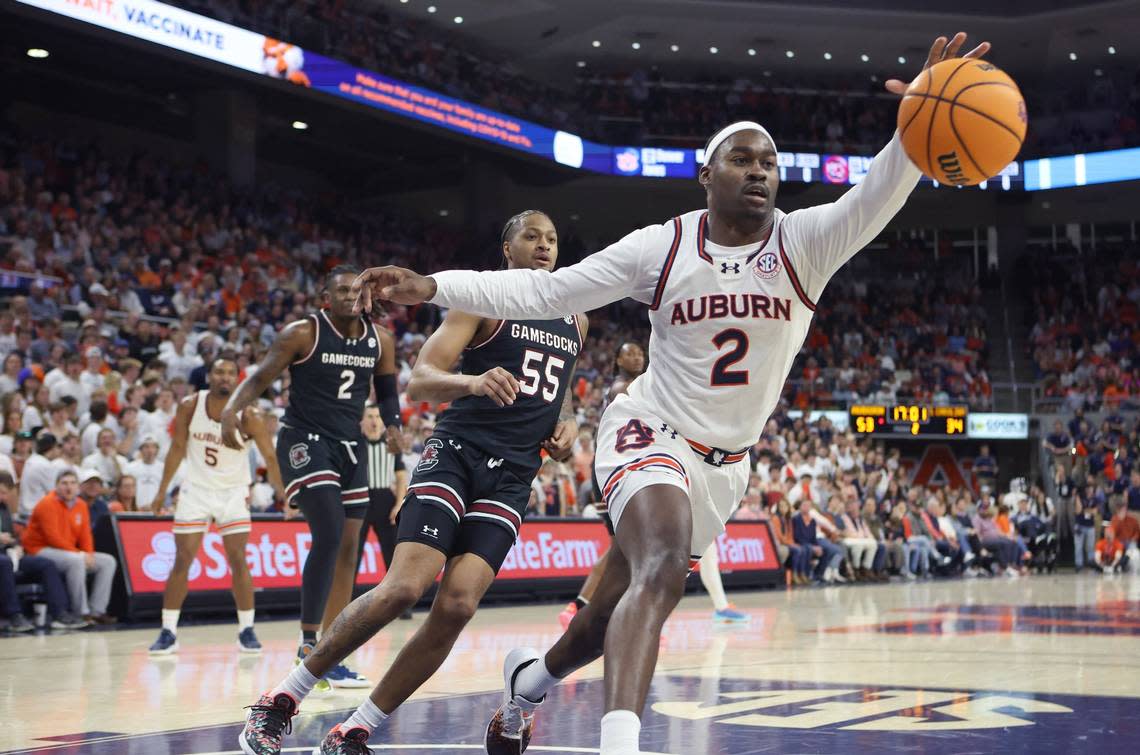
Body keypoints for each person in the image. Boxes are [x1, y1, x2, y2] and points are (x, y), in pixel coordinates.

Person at [348, 34, 986, 755]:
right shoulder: (663, 245)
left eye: (769, 162)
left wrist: (918, 124)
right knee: (661, 568)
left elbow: (879, 193)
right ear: (704, 172)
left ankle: (529, 681)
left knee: (600, 620)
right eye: (742, 159)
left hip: (725, 465)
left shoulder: (808, 242)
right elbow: (548, 290)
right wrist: (433, 286)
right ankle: (621, 744)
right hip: (649, 431)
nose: (759, 171)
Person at [238, 210, 586, 754]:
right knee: (403, 587)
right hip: (457, 455)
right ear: (507, 250)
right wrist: (472, 381)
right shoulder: (481, 301)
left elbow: (560, 388)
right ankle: (281, 698)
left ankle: (355, 728)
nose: (544, 246)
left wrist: (567, 424)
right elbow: (422, 379)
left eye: (552, 239)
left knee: (458, 606)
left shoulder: (576, 319)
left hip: (515, 475)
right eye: (531, 237)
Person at [222, 265, 401, 692]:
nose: (350, 296)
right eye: (340, 290)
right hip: (304, 440)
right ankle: (307, 643)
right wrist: (232, 408)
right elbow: (263, 376)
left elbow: (388, 391)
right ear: (325, 297)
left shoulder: (382, 340)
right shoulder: (302, 333)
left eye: (356, 290)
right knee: (330, 530)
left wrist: (393, 424)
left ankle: (332, 650)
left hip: (350, 444)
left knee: (350, 545)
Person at [147, 358, 284, 655]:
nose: (224, 377)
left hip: (233, 492)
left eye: (230, 373)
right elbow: (177, 448)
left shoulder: (250, 415)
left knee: (238, 560)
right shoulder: (189, 405)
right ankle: (168, 631)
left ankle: (246, 629)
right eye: (219, 372)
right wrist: (161, 491)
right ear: (208, 376)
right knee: (182, 559)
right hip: (195, 490)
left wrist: (283, 494)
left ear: (238, 379)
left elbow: (270, 458)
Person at [559, 341, 644, 630]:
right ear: (618, 359)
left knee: (625, 549)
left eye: (639, 352)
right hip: (612, 470)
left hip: (624, 468)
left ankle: (583, 608)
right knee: (625, 548)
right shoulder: (623, 387)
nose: (636, 356)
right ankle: (586, 610)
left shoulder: (640, 385)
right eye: (629, 352)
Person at [21, 469, 118, 623]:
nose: (69, 487)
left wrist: (89, 554)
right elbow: (52, 538)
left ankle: (97, 611)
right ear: (56, 486)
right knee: (76, 561)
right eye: (64, 483)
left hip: (66, 550)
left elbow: (85, 534)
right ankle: (81, 611)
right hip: (39, 549)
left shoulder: (81, 505)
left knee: (108, 561)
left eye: (73, 483)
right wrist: (80, 555)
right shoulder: (47, 503)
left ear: (78, 487)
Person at [0, 472, 87, 631]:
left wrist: (17, 545)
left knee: (45, 564)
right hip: (3, 559)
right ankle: (14, 616)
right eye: (1, 492)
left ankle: (60, 614)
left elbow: (12, 535)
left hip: (9, 554)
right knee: (4, 563)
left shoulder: (3, 508)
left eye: (6, 493)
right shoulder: (47, 504)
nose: (4, 497)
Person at [355, 403, 410, 619]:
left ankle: (400, 605)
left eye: (377, 416)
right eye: (369, 416)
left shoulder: (390, 445)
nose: (374, 420)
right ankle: (344, 601)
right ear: (362, 420)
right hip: (360, 499)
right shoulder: (357, 444)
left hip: (385, 501)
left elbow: (400, 477)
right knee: (352, 555)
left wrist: (398, 504)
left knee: (393, 555)